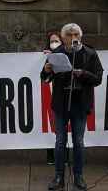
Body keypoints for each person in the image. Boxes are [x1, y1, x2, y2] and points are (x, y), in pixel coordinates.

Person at [43, 23, 103, 191]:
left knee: (78, 141)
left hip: (80, 103)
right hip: (61, 103)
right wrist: (47, 70)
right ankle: (58, 176)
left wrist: (83, 74)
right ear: (63, 38)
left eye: (75, 34)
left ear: (80, 36)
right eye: (68, 35)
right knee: (60, 140)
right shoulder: (57, 53)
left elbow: (98, 78)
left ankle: (78, 176)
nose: (72, 37)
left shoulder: (90, 53)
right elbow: (44, 78)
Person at [42, 31, 62, 166]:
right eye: (52, 41)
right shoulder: (44, 56)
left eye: (57, 41)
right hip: (48, 97)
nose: (54, 43)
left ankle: (63, 155)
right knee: (49, 126)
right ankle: (50, 154)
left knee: (62, 129)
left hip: (61, 96)